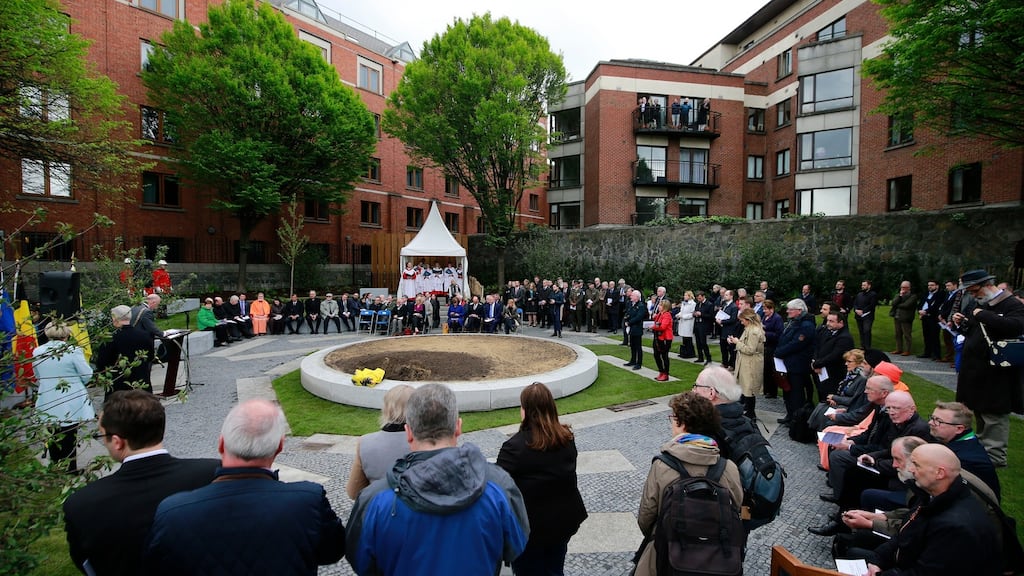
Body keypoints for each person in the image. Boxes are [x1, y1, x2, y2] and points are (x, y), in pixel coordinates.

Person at [144, 399, 347, 575]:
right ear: (279, 447)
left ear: (221, 444)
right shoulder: (308, 500)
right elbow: (333, 551)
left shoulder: (172, 513)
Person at [347, 384, 529, 576]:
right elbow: (515, 546)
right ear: (458, 427)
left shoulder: (374, 500)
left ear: (409, 433)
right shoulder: (498, 486)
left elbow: (362, 562)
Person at [63, 391, 219, 576]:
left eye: (102, 436)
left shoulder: (82, 504)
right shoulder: (213, 474)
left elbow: (87, 564)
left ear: (117, 442)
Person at [634, 391, 743, 576]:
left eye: (673, 417)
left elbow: (646, 515)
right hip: (718, 556)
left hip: (670, 552)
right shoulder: (729, 467)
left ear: (682, 423)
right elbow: (737, 507)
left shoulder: (662, 466)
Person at [865, 444, 1002, 576]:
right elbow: (904, 535)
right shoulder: (932, 496)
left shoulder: (956, 526)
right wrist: (878, 560)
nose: (911, 469)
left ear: (939, 473)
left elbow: (928, 572)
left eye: (916, 465)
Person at [497, 383, 588, 576]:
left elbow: (499, 491)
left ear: (526, 410)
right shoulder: (567, 439)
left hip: (530, 532)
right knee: (555, 569)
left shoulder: (514, 448)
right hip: (562, 525)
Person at [951, 269, 1024, 467]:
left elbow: (1015, 326)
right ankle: (982, 450)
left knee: (994, 413)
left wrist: (982, 315)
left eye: (975, 291)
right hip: (975, 370)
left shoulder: (1011, 305)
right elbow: (974, 330)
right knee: (979, 410)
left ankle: (995, 457)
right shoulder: (979, 305)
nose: (974, 296)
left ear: (987, 285)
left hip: (997, 371)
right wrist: (961, 323)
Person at [33, 322, 95, 472]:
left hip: (48, 394)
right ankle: (70, 468)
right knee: (69, 433)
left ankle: (56, 465)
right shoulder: (73, 350)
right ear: (67, 334)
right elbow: (87, 374)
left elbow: (37, 374)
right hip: (71, 395)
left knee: (53, 431)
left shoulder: (37, 351)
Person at [346, 385, 415, 499]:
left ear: (386, 408)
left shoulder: (365, 442)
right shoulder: (427, 442)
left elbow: (354, 492)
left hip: (379, 509)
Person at [94, 304, 156, 396]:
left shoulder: (110, 339)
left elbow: (102, 362)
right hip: (142, 383)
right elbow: (150, 357)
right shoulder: (145, 335)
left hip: (119, 387)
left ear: (114, 318)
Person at [775, 298, 816, 424]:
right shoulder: (794, 322)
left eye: (790, 309)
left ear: (799, 311)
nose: (787, 311)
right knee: (788, 391)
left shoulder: (806, 325)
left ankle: (796, 419)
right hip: (789, 362)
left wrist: (780, 352)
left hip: (798, 364)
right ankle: (790, 414)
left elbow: (797, 343)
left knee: (796, 392)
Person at [808, 349, 866, 431]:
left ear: (858, 363)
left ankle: (822, 436)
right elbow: (842, 390)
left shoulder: (862, 379)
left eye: (849, 362)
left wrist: (835, 398)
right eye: (846, 361)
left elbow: (854, 400)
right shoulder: (850, 374)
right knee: (821, 406)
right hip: (841, 403)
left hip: (850, 407)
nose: (846, 364)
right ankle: (817, 434)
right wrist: (834, 399)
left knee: (825, 411)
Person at [730, 308, 765, 420]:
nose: (741, 322)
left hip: (751, 363)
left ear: (748, 319)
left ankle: (751, 413)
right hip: (746, 361)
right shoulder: (749, 328)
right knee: (745, 386)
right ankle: (748, 411)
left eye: (742, 320)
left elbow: (750, 349)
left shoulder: (754, 331)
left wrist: (737, 343)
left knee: (749, 388)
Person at [812, 311, 855, 401]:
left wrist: (818, 363)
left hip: (834, 374)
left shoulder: (845, 338)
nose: (828, 323)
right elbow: (817, 346)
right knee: (821, 395)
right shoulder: (827, 332)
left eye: (831, 321)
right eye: (827, 320)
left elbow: (835, 355)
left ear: (841, 323)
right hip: (821, 371)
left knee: (829, 397)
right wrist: (815, 361)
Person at [918, 279, 947, 360]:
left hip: (933, 318)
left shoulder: (940, 294)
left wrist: (926, 311)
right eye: (929, 285)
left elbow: (936, 306)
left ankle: (936, 354)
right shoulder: (926, 294)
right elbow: (921, 303)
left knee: (934, 335)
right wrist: (920, 311)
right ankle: (927, 352)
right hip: (925, 317)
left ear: (937, 286)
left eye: (932, 285)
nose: (930, 287)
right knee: (926, 335)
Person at [761, 299, 783, 398]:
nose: (764, 311)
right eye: (763, 309)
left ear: (771, 309)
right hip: (765, 346)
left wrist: (765, 333)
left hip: (773, 347)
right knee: (765, 369)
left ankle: (772, 391)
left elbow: (778, 334)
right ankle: (766, 389)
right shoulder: (764, 317)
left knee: (771, 369)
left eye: (766, 309)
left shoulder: (777, 318)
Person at [889, 281, 918, 356]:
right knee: (898, 334)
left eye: (905, 287)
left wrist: (897, 304)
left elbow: (906, 305)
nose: (903, 289)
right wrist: (900, 297)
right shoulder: (898, 295)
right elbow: (893, 303)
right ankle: (899, 349)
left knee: (907, 334)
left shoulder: (913, 296)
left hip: (906, 318)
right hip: (897, 316)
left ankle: (907, 350)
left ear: (909, 288)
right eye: (902, 287)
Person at [650, 299, 674, 381]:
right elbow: (656, 322)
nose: (659, 306)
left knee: (664, 356)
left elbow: (663, 327)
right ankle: (661, 371)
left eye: (660, 305)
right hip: (657, 337)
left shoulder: (667, 315)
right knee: (656, 355)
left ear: (664, 307)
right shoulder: (660, 314)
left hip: (665, 338)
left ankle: (666, 373)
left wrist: (653, 327)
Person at [624, 289, 646, 370]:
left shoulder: (641, 305)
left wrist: (629, 322)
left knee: (638, 346)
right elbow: (628, 313)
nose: (631, 296)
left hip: (637, 328)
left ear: (637, 297)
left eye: (632, 295)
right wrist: (626, 319)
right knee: (632, 345)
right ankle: (633, 360)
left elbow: (638, 317)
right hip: (631, 328)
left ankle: (639, 363)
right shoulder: (631, 304)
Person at [717, 289, 739, 369]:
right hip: (723, 329)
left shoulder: (734, 307)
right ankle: (725, 362)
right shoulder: (724, 305)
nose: (724, 296)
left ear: (731, 296)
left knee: (730, 348)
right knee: (723, 348)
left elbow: (733, 319)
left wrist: (722, 321)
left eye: (726, 295)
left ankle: (732, 364)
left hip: (730, 329)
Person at [853, 280, 878, 349]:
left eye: (864, 285)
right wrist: (856, 310)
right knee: (861, 331)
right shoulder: (859, 294)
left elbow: (872, 305)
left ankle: (867, 347)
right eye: (862, 285)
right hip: (858, 316)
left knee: (866, 330)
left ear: (869, 286)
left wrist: (863, 311)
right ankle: (862, 345)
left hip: (868, 316)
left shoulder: (873, 294)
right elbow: (855, 303)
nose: (862, 286)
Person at [693, 290, 714, 365]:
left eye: (700, 298)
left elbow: (711, 316)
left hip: (704, 325)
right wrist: (695, 314)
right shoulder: (698, 304)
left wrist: (701, 314)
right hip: (697, 324)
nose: (699, 299)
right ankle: (700, 357)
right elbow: (695, 311)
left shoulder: (709, 304)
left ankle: (708, 358)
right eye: (698, 298)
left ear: (703, 297)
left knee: (703, 342)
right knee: (698, 342)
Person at [676, 290, 696, 359]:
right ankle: (684, 352)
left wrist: (683, 316)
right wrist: (678, 315)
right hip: (682, 322)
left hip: (688, 322)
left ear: (689, 296)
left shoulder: (693, 304)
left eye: (686, 295)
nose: (684, 296)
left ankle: (690, 353)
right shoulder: (684, 303)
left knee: (688, 338)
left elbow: (692, 314)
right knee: (684, 338)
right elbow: (682, 311)